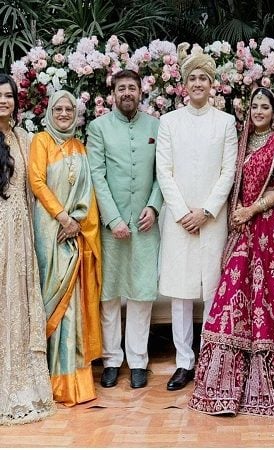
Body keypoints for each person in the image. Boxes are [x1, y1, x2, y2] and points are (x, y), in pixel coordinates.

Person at [188, 87, 274, 416]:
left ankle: (268, 386)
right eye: (254, 107)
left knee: (264, 300)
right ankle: (222, 387)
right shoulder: (242, 141)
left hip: (270, 230)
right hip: (243, 229)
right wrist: (239, 213)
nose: (259, 112)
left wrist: (253, 209)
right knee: (231, 297)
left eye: (265, 107)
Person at [156, 43, 237, 391]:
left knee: (213, 289)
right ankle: (184, 362)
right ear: (184, 85)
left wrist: (206, 211)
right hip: (180, 221)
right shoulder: (169, 122)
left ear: (212, 84)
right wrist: (182, 212)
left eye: (204, 78)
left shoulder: (226, 123)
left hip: (211, 219)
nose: (198, 84)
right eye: (193, 78)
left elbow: (228, 171)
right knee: (181, 293)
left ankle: (211, 358)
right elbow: (164, 171)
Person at [87, 69, 162, 389]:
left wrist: (154, 207)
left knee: (142, 293)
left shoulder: (155, 126)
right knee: (109, 294)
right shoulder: (98, 128)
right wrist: (112, 219)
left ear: (140, 92)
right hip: (110, 227)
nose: (127, 93)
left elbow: (162, 172)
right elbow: (96, 175)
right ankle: (111, 360)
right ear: (113, 94)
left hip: (145, 224)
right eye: (121, 88)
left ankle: (138, 360)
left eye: (132, 87)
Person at [28, 90, 102, 406]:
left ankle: (73, 381)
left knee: (73, 305)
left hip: (74, 234)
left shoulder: (79, 147)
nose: (63, 114)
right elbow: (37, 182)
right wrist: (62, 217)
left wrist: (76, 222)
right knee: (52, 298)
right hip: (49, 231)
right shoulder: (41, 141)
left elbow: (88, 191)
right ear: (49, 112)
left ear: (75, 114)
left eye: (68, 109)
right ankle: (45, 379)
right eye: (57, 109)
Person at [0, 73, 55, 424]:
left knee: (18, 301)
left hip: (20, 233)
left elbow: (36, 185)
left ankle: (20, 382)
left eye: (8, 95)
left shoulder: (25, 139)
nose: (3, 101)